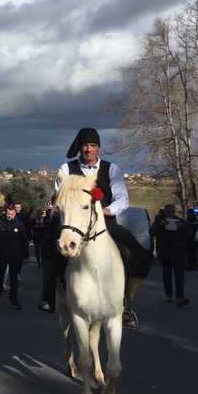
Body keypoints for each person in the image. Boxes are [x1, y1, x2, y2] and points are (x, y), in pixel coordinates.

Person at [40, 128, 153, 329]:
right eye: (85, 145)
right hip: (73, 222)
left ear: (99, 148)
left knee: (140, 253)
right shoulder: (66, 169)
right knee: (49, 247)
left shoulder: (112, 169)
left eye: (93, 146)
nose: (89, 149)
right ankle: (48, 294)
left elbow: (122, 199)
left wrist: (106, 211)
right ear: (80, 148)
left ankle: (125, 302)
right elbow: (59, 196)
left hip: (104, 224)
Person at [0, 205, 29, 309]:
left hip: (16, 256)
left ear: (15, 214)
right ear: (4, 213)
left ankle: (13, 300)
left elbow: (24, 241)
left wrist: (25, 255)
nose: (10, 216)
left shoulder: (19, 225)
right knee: (0, 276)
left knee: (14, 278)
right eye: (8, 214)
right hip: (2, 254)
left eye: (12, 214)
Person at [151, 204, 191, 306]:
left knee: (180, 276)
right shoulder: (159, 221)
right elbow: (151, 232)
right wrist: (161, 225)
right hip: (165, 254)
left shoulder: (180, 221)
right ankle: (168, 294)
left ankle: (180, 297)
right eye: (168, 211)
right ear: (165, 212)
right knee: (167, 275)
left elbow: (190, 234)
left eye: (172, 211)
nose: (171, 213)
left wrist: (182, 227)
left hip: (179, 253)